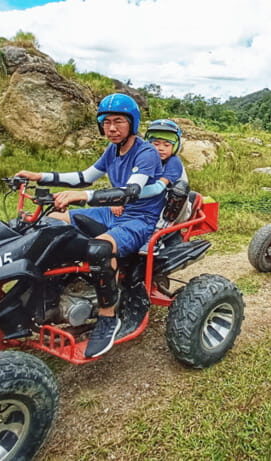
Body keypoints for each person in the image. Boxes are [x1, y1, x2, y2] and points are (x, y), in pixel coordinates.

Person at [14, 93, 165, 358]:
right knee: (48, 223)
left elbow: (130, 191)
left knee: (100, 250)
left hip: (138, 218)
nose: (112, 128)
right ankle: (48, 291)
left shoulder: (146, 152)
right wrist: (41, 176)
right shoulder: (112, 150)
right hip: (111, 212)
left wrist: (82, 197)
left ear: (132, 123)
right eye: (106, 122)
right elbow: (85, 177)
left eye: (118, 121)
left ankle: (108, 317)